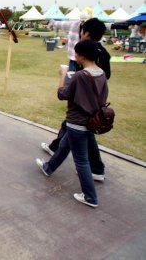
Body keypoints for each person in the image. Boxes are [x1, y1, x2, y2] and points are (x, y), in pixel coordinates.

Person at [36, 40, 109, 208]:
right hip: (91, 121)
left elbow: (63, 94)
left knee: (81, 160)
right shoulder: (101, 73)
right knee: (63, 145)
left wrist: (62, 76)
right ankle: (48, 167)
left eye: (76, 53)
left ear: (82, 55)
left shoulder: (80, 75)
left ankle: (90, 197)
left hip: (77, 123)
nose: (75, 56)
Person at [41, 18, 110, 181]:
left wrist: (65, 76)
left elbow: (63, 93)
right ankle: (53, 154)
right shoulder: (103, 54)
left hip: (81, 106)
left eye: (82, 31)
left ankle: (94, 175)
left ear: (85, 33)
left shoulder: (85, 54)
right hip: (93, 104)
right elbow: (105, 77)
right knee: (72, 129)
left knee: (79, 144)